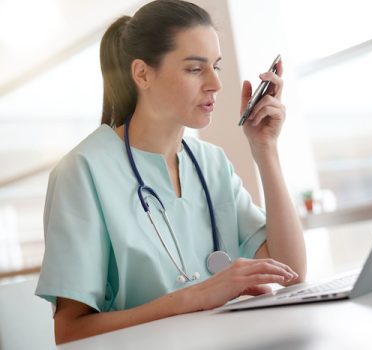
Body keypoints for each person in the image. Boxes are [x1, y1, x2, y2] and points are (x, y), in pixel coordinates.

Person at [35, 0, 306, 344]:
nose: (215, 84)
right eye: (195, 69)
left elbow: (291, 273)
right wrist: (193, 297)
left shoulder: (212, 163)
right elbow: (70, 332)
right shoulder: (82, 171)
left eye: (216, 67)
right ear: (142, 74)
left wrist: (265, 150)